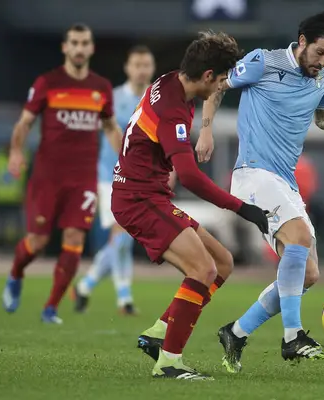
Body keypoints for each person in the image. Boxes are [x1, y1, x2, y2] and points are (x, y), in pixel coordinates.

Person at [195, 11, 324, 372]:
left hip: (284, 180)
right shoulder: (262, 62)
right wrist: (206, 131)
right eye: (320, 52)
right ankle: (293, 337)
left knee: (308, 274)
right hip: (253, 173)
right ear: (302, 41)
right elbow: (216, 87)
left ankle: (236, 332)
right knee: (299, 237)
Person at [111, 31, 269, 380]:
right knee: (203, 270)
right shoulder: (173, 110)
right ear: (209, 76)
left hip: (146, 195)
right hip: (139, 199)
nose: (221, 88)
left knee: (222, 262)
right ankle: (169, 362)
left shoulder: (171, 81)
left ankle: (158, 334)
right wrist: (243, 208)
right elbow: (191, 177)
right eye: (222, 80)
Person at [2, 23, 123, 324]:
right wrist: (16, 152)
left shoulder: (101, 87)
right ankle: (16, 273)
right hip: (47, 177)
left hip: (82, 178)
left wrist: (128, 158)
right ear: (65, 48)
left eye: (85, 43)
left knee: (74, 239)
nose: (80, 48)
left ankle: (50, 309)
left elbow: (109, 127)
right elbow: (24, 123)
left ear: (91, 48)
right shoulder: (48, 82)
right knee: (38, 243)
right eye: (74, 43)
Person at [74, 45, 156, 315]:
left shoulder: (157, 99)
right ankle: (124, 298)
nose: (142, 70)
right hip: (109, 176)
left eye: (146, 65)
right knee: (122, 235)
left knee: (124, 236)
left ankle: (86, 285)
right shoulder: (112, 97)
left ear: (152, 68)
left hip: (141, 178)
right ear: (127, 68)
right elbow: (96, 137)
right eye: (137, 65)